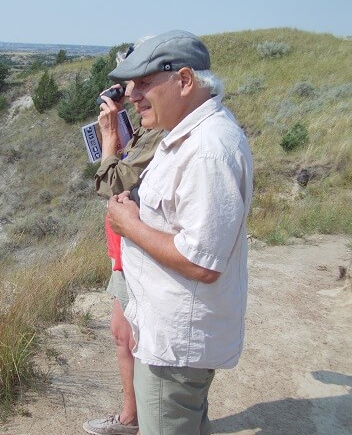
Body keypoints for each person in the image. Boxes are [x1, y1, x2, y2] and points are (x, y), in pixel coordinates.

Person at [105, 30, 254, 435]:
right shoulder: (188, 136)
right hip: (169, 331)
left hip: (175, 344)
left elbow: (201, 261)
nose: (133, 96)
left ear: (184, 81)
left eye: (145, 83)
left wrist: (130, 225)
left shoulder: (208, 150)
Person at [83, 39, 165, 435]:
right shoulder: (149, 129)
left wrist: (109, 134)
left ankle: (144, 419)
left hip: (140, 247)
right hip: (124, 246)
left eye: (138, 84)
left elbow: (110, 180)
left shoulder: (163, 133)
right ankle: (132, 417)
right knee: (121, 334)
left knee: (136, 339)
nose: (131, 95)